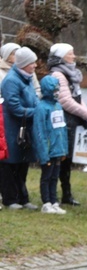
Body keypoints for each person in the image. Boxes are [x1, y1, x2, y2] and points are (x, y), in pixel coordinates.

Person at [48, 43, 87, 206]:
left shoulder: (71, 73)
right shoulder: (59, 75)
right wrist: (85, 113)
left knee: (68, 158)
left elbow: (77, 96)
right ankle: (59, 193)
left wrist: (84, 113)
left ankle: (66, 193)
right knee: (63, 158)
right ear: (61, 57)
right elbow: (65, 100)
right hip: (65, 121)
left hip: (73, 119)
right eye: (70, 54)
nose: (74, 56)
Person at [0, 47, 40, 210]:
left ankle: (23, 198)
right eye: (32, 62)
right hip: (12, 128)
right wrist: (37, 112)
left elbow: (34, 98)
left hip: (24, 127)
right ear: (24, 64)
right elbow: (14, 107)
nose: (35, 65)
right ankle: (10, 199)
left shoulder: (27, 78)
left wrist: (38, 108)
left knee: (22, 163)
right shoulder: (11, 81)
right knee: (10, 165)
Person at [31, 75, 68, 215]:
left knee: (54, 177)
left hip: (58, 150)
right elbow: (39, 132)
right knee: (46, 177)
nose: (57, 92)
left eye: (58, 89)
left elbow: (62, 129)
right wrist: (43, 153)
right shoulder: (41, 108)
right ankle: (46, 202)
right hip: (48, 151)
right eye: (54, 90)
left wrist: (64, 149)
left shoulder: (58, 106)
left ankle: (54, 202)